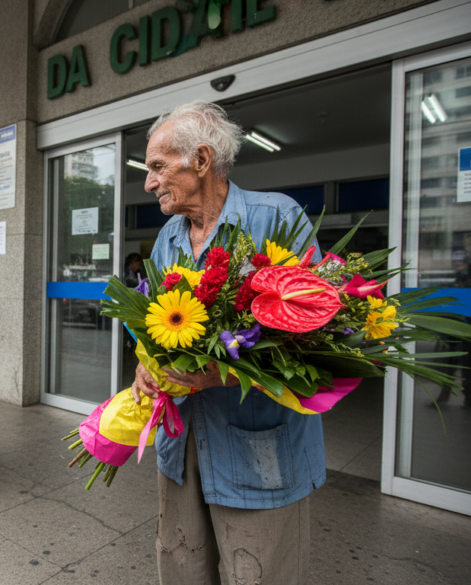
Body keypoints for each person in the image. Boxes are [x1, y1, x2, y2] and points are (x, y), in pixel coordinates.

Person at [130, 101, 321, 585]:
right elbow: (155, 326)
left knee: (256, 572)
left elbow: (319, 341)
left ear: (200, 160)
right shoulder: (168, 237)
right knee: (181, 565)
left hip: (256, 445)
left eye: (156, 167)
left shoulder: (277, 218)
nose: (149, 183)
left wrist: (226, 371)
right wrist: (146, 367)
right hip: (181, 442)